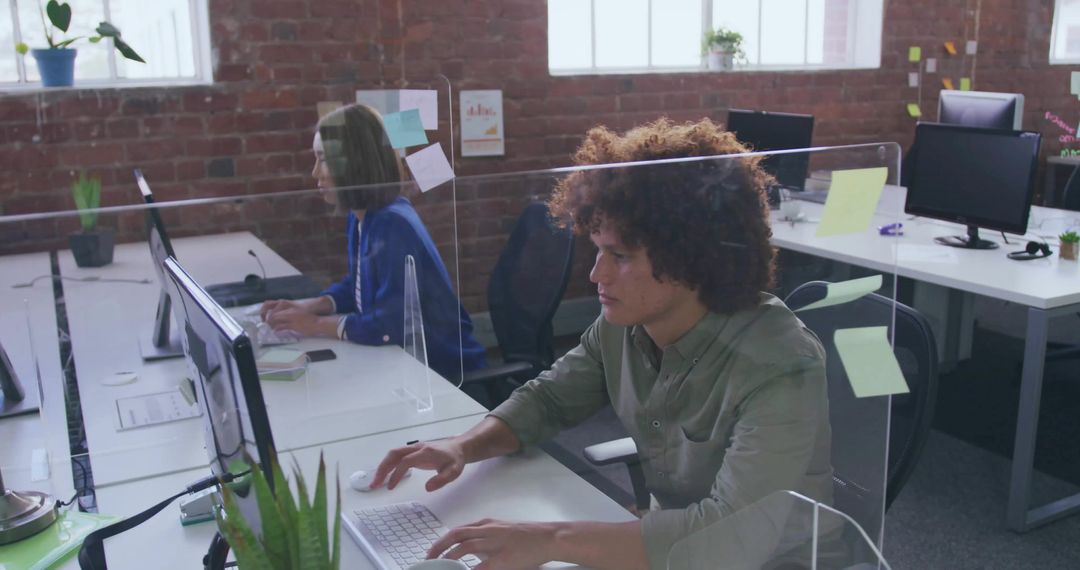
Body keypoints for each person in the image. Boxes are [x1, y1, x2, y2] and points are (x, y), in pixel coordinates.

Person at [370, 117, 833, 569]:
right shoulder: (626, 325)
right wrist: (463, 447)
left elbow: (731, 538)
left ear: (693, 258)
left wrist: (552, 539)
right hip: (677, 547)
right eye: (597, 249)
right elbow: (549, 399)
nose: (596, 274)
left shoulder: (778, 364)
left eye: (620, 256)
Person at [260, 104, 486, 381]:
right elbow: (358, 284)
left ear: (354, 164)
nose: (315, 173)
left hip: (438, 374)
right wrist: (313, 306)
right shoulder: (364, 216)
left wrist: (315, 325)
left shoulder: (393, 224)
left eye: (324, 159)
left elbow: (389, 326)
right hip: (400, 361)